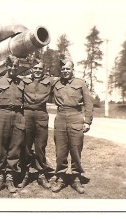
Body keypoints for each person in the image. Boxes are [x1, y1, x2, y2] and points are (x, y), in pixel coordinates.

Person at [51, 59, 93, 194]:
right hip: (61, 116)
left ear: (72, 69)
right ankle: (61, 178)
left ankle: (76, 178)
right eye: (62, 69)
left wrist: (87, 121)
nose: (65, 71)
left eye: (67, 69)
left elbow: (88, 103)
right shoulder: (56, 82)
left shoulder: (80, 83)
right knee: (60, 150)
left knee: (76, 149)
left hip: (76, 116)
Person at [0, 55, 25, 194]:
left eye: (15, 66)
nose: (13, 68)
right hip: (1, 115)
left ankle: (10, 179)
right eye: (11, 66)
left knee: (15, 148)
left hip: (18, 117)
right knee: (0, 148)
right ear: (6, 66)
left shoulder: (22, 83)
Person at [18, 60, 52, 189]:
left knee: (41, 146)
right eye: (35, 68)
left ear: (43, 70)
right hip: (27, 114)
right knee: (26, 146)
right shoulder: (23, 81)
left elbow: (63, 81)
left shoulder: (50, 81)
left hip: (41, 114)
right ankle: (25, 174)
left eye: (40, 69)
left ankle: (41, 175)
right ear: (32, 69)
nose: (37, 71)